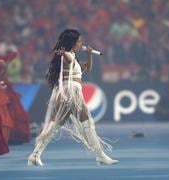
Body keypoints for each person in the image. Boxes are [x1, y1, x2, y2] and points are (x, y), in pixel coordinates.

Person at [28, 29, 118, 166]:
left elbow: (88, 67)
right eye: (79, 42)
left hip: (67, 92)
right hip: (71, 92)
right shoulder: (67, 56)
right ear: (72, 43)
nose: (81, 44)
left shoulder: (74, 57)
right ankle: (100, 155)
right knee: (87, 123)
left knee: (55, 125)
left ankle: (35, 155)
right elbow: (68, 58)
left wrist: (89, 55)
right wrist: (64, 53)